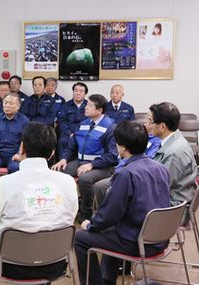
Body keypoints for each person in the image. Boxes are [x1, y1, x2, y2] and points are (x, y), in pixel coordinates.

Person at [0, 122, 78, 284]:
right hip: (55, 264)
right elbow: (70, 217)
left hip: (9, 265)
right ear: (52, 153)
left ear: (21, 148)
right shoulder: (69, 182)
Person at [74, 121, 170, 285]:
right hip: (160, 239)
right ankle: (106, 280)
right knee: (110, 230)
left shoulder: (126, 173)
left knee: (80, 237)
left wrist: (90, 225)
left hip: (136, 242)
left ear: (122, 147)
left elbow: (109, 215)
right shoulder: (160, 167)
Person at [52, 94, 118, 222]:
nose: (85, 108)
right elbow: (72, 146)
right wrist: (64, 159)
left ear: (100, 110)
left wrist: (92, 164)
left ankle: (86, 212)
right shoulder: (83, 124)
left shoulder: (110, 127)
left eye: (89, 106)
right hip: (81, 161)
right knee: (57, 172)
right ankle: (64, 208)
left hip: (102, 165)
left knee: (85, 178)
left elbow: (112, 155)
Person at [94, 118, 161, 206]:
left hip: (134, 218)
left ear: (123, 147)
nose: (145, 121)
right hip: (156, 216)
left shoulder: (124, 174)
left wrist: (95, 220)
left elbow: (109, 216)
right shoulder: (162, 168)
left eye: (149, 119)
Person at [147, 102, 197, 206]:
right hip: (168, 198)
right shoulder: (173, 139)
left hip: (170, 207)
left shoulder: (174, 153)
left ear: (162, 127)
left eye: (150, 121)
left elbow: (158, 188)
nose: (146, 124)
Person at [57, 82, 88, 157]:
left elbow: (91, 121)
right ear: (73, 92)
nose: (78, 93)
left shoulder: (89, 105)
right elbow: (61, 121)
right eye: (76, 90)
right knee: (62, 141)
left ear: (85, 94)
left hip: (84, 134)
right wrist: (69, 133)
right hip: (68, 134)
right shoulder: (66, 106)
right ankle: (62, 164)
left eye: (81, 91)